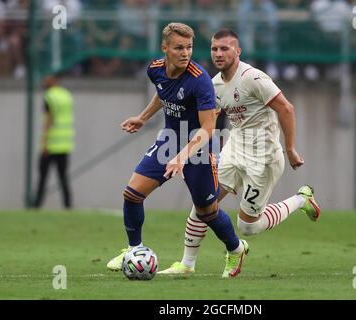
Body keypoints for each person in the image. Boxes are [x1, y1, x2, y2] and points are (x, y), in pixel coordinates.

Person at [159, 29, 320, 275]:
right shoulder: (212, 84)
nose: (218, 54)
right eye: (214, 49)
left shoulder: (253, 79)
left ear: (238, 51)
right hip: (234, 150)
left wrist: (290, 149)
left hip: (263, 158)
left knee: (247, 227)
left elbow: (287, 109)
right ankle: (187, 264)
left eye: (225, 48)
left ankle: (301, 200)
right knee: (204, 202)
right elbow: (209, 120)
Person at [106, 23, 249, 278]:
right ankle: (134, 249)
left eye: (189, 47)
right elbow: (163, 94)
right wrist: (143, 117)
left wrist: (182, 157)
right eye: (179, 47)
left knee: (207, 212)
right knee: (132, 194)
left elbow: (207, 127)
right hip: (169, 141)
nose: (185, 53)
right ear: (165, 49)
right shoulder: (155, 69)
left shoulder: (199, 80)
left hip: (199, 148)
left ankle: (236, 249)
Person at [33, 74, 74, 209]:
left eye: (47, 78)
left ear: (54, 79)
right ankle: (68, 206)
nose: (44, 80)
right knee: (63, 178)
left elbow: (49, 120)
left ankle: (36, 205)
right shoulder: (67, 95)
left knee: (43, 177)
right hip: (65, 144)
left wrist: (44, 143)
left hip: (51, 144)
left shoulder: (49, 96)